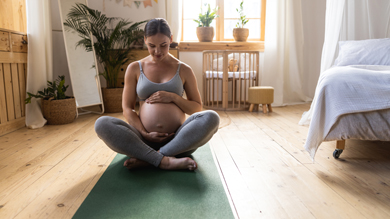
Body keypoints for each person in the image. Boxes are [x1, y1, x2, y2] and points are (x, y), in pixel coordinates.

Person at [95, 18, 220, 171]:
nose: (157, 51)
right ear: (145, 40)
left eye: (163, 45)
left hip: (178, 140)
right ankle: (165, 161)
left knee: (211, 117)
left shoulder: (184, 69)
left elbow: (196, 108)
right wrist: (144, 133)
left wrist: (173, 97)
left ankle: (151, 158)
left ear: (171, 40)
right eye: (151, 46)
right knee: (101, 124)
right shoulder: (134, 68)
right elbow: (127, 109)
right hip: (142, 140)